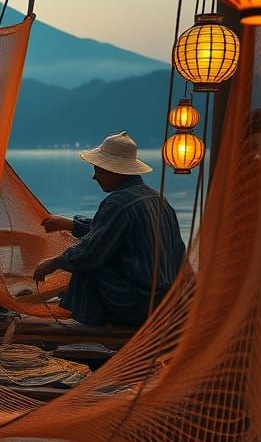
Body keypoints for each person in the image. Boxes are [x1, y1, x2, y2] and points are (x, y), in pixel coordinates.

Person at [32, 131, 185, 327]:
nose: (94, 177)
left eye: (97, 169)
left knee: (86, 264)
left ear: (114, 172)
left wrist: (54, 263)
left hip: (139, 304)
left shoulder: (117, 203)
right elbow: (110, 229)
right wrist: (70, 224)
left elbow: (90, 253)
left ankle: (96, 323)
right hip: (166, 300)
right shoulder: (157, 198)